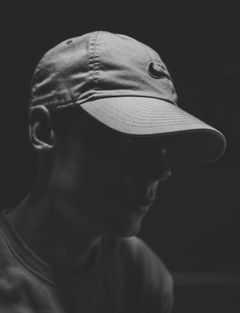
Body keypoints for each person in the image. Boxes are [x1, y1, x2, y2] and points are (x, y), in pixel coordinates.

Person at [0, 31, 226, 313]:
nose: (160, 169)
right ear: (44, 131)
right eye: (128, 138)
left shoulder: (141, 274)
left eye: (163, 144)